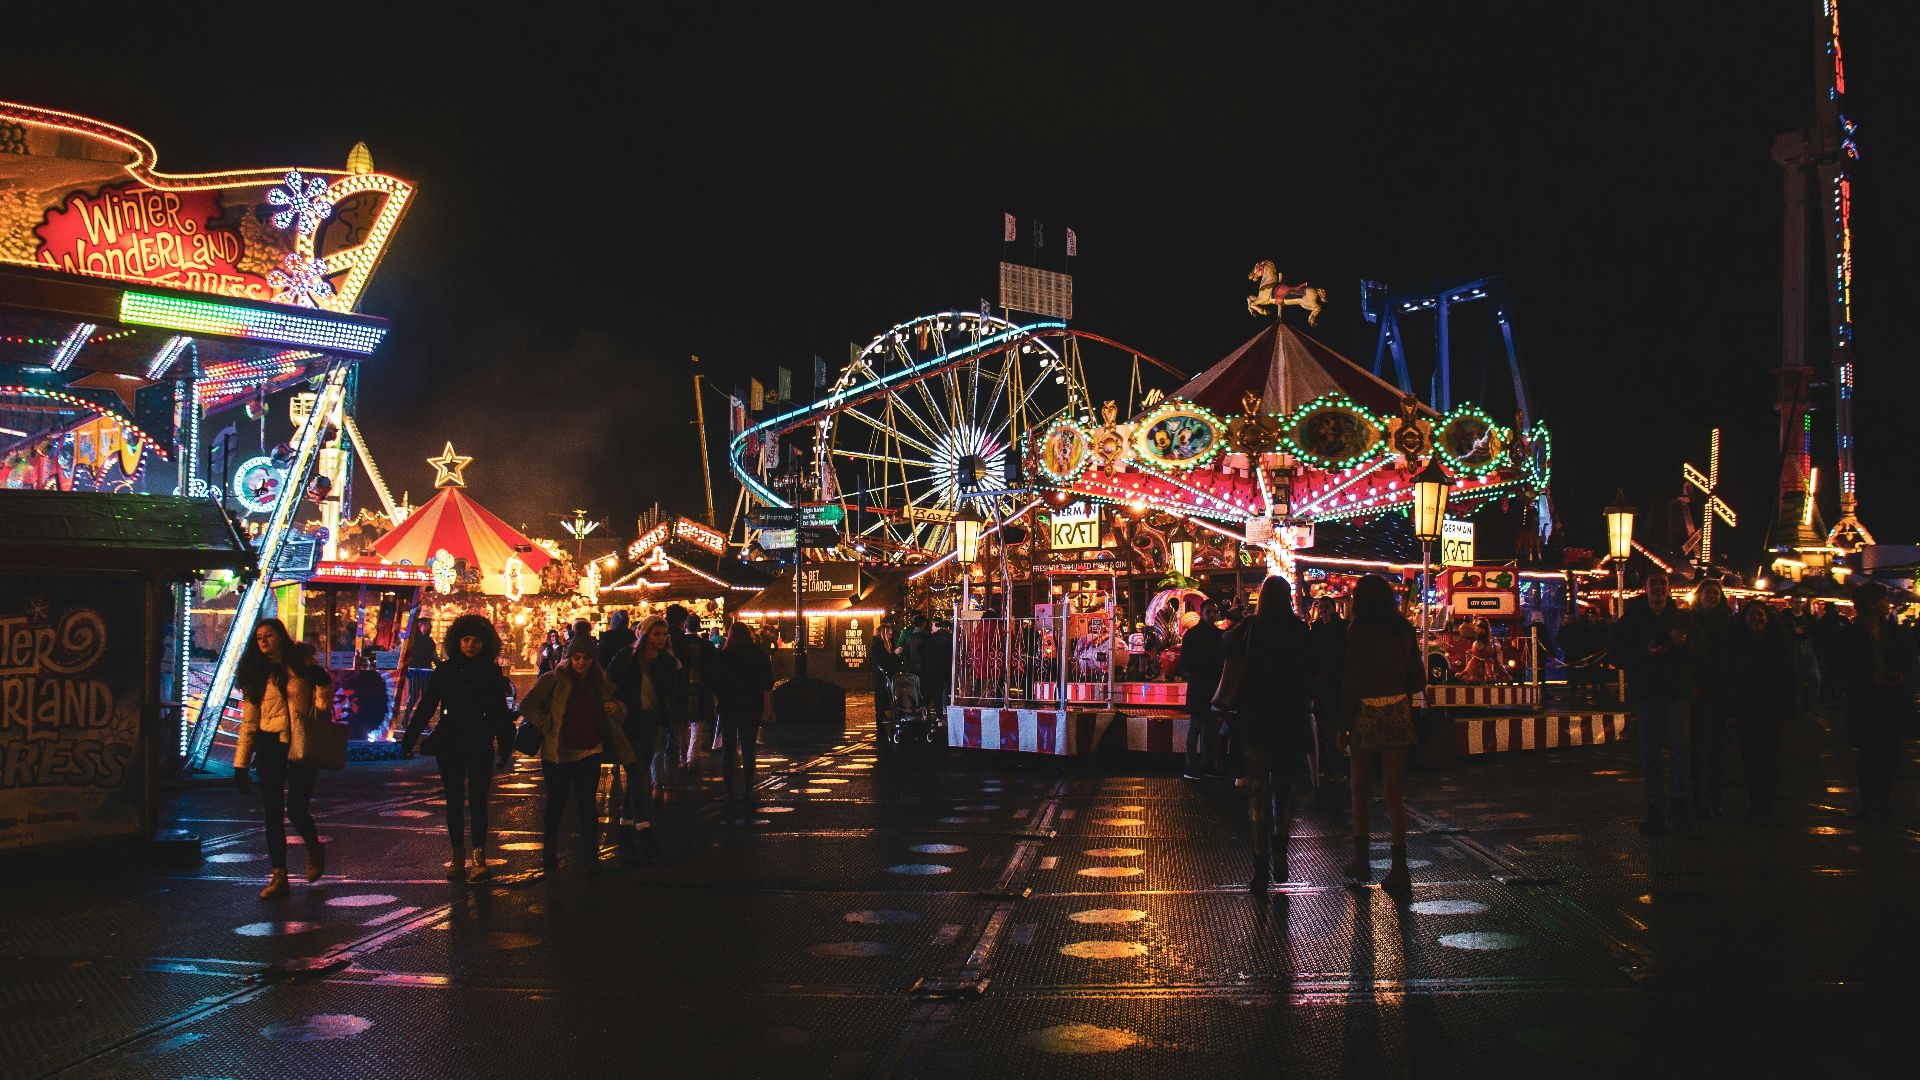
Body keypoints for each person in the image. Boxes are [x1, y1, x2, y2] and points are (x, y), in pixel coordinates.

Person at [400, 614, 516, 880]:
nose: (470, 645)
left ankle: (479, 857)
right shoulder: (445, 670)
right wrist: (409, 739)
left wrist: (505, 744)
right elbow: (427, 705)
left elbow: (499, 711)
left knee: (478, 799)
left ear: (484, 644)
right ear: (457, 641)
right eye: (466, 640)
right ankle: (457, 856)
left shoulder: (490, 672)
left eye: (476, 641)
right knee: (453, 800)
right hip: (450, 740)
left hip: (479, 739)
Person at [1218, 578, 1314, 892]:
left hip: (1255, 717)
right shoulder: (1299, 631)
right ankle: (1281, 853)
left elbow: (1225, 648)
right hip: (1289, 718)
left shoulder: (1250, 628)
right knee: (1283, 789)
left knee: (1258, 790)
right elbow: (1309, 672)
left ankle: (1260, 866)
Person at [232, 618, 333, 899]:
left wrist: (323, 688)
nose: (264, 641)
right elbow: (249, 722)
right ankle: (279, 876)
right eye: (259, 638)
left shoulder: (301, 664)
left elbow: (322, 703)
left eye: (269, 635)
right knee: (272, 813)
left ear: (281, 636)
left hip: (302, 742)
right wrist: (240, 764)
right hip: (270, 746)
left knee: (297, 809)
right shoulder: (255, 673)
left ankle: (313, 846)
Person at [1336, 575, 1425, 894]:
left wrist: (1342, 725)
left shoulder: (1358, 631)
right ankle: (1399, 867)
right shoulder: (1404, 630)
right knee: (1393, 793)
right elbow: (1418, 679)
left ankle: (1362, 859)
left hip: (1365, 713)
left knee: (1359, 786)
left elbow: (1351, 680)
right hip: (1398, 711)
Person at [518, 637, 633, 873]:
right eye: (577, 658)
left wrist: (617, 708)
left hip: (590, 751)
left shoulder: (599, 682)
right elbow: (527, 705)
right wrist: (548, 725)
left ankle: (591, 857)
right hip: (557, 754)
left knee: (587, 806)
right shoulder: (552, 679)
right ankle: (549, 856)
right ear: (569, 658)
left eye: (586, 658)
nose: (581, 662)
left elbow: (618, 708)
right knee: (556, 805)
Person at [1609, 570, 1696, 835]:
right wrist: (1644, 655)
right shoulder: (1632, 620)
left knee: (1680, 748)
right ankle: (1655, 805)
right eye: (1653, 583)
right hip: (1647, 691)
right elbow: (1615, 653)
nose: (1658, 588)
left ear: (1669, 588)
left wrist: (1683, 645)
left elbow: (1701, 652)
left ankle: (1679, 803)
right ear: (1646, 587)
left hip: (1675, 691)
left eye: (1662, 583)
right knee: (1650, 750)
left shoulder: (1683, 619)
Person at [1840, 582, 1914, 823]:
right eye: (1882, 599)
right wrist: (1870, 678)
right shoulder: (1854, 633)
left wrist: (1900, 674)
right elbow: (1846, 666)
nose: (1887, 602)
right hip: (1867, 702)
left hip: (1892, 700)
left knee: (1890, 754)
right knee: (1869, 754)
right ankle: (1869, 803)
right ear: (1871, 603)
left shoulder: (1892, 629)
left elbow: (1905, 657)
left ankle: (1882, 802)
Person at [606, 616, 677, 860]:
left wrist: (662, 665)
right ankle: (644, 829)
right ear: (645, 634)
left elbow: (669, 689)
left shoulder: (665, 659)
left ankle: (625, 829)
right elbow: (609, 682)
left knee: (639, 773)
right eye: (656, 634)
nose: (661, 639)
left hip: (651, 723)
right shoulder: (626, 657)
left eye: (664, 634)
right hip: (630, 722)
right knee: (639, 775)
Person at [1727, 603, 1794, 823]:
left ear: (1767, 618)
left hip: (1771, 708)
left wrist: (1787, 707)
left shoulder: (1778, 643)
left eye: (1759, 615)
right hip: (1746, 708)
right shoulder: (1737, 644)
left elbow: (1788, 676)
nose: (1755, 619)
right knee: (1750, 756)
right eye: (1751, 615)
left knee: (1769, 756)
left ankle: (1767, 803)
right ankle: (1756, 802)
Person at [1688, 579, 1738, 819]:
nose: (1712, 596)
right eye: (1708, 592)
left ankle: (1715, 797)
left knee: (1715, 748)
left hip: (1718, 689)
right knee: (1694, 747)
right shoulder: (1691, 621)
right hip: (1697, 689)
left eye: (1715, 593)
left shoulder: (1728, 623)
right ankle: (1696, 797)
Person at [715, 622, 776, 800]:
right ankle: (748, 789)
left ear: (730, 635)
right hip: (752, 706)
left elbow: (715, 682)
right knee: (749, 748)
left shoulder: (723, 655)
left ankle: (728, 790)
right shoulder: (759, 655)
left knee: (728, 748)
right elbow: (768, 682)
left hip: (728, 706)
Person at [666, 604, 717, 774]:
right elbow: (712, 670)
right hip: (700, 690)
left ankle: (682, 758)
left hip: (681, 689)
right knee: (697, 725)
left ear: (686, 625)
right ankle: (692, 758)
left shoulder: (677, 642)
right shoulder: (706, 645)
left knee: (681, 725)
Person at [1178, 600, 1224, 780]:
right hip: (1203, 686)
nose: (1212, 615)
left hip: (1202, 686)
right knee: (1199, 727)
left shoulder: (1196, 635)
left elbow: (1185, 663)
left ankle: (1202, 765)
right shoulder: (1207, 635)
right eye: (1209, 612)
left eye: (1214, 612)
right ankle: (1194, 765)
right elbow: (1186, 662)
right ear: (1202, 613)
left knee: (1205, 728)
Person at [1308, 597, 1348, 775]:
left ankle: (1336, 761)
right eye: (1321, 607)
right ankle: (1325, 762)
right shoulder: (1316, 628)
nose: (1323, 610)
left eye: (1326, 607)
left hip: (1335, 681)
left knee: (1334, 721)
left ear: (1333, 608)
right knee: (1322, 722)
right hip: (1321, 681)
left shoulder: (1341, 627)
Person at [869, 621, 898, 728]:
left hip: (885, 674)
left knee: (886, 695)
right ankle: (882, 716)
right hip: (881, 675)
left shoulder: (887, 644)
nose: (890, 636)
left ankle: (884, 715)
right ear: (883, 633)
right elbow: (883, 660)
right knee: (882, 695)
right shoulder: (878, 645)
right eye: (889, 633)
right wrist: (894, 655)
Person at [922, 619, 954, 713]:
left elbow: (927, 654)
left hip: (935, 668)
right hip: (947, 667)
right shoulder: (950, 638)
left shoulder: (931, 638)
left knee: (937, 693)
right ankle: (950, 710)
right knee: (949, 691)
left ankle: (939, 713)